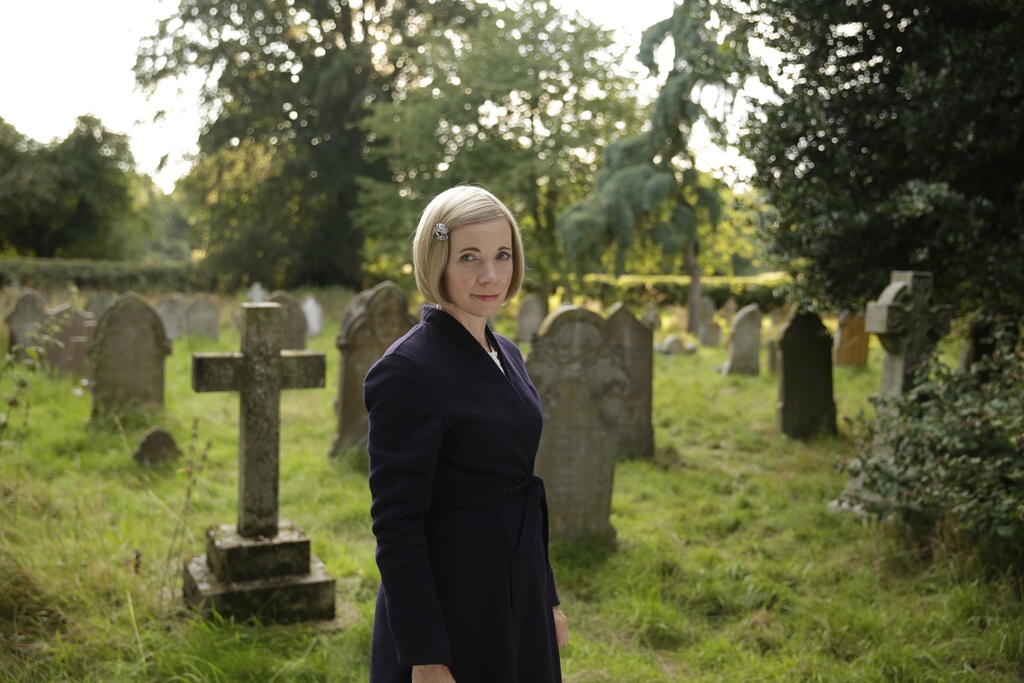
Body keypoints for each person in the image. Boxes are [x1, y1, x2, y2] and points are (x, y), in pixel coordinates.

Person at [364, 185, 568, 683]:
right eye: (469, 257)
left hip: (516, 592)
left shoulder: (507, 352)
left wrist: (547, 598)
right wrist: (425, 654)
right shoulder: (406, 371)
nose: (490, 275)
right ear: (437, 263)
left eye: (502, 255)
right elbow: (397, 526)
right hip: (453, 602)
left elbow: (522, 491)